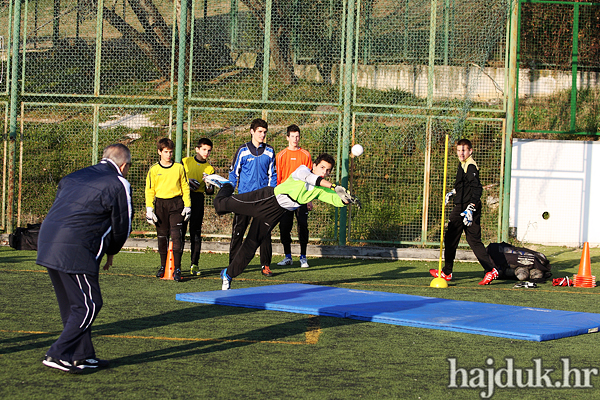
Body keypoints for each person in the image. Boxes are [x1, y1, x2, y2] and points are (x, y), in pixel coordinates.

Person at [37, 144, 133, 373]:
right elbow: (122, 225)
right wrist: (113, 251)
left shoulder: (74, 176)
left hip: (47, 241)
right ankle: (58, 353)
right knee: (89, 304)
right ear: (124, 165)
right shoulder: (119, 182)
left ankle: (83, 355)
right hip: (76, 248)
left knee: (73, 305)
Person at [205, 153, 360, 290]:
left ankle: (228, 274)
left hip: (275, 213)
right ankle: (226, 185)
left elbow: (333, 198)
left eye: (328, 170)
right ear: (314, 166)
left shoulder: (320, 189)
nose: (324, 172)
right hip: (267, 199)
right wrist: (334, 186)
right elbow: (312, 178)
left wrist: (346, 199)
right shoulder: (303, 170)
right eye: (322, 168)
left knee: (251, 245)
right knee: (220, 206)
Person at [429, 138, 499, 285]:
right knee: (462, 238)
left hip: (465, 207)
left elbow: (477, 187)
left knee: (460, 239)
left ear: (470, 151)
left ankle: (489, 270)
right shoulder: (463, 164)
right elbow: (465, 185)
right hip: (461, 204)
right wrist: (453, 192)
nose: (461, 153)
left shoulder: (470, 166)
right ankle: (450, 272)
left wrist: (471, 207)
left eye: (464, 150)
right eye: (459, 150)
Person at [228, 118, 277, 277]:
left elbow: (273, 175)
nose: (262, 135)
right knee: (238, 231)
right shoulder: (242, 151)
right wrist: (229, 194)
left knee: (264, 233)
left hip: (263, 201)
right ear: (252, 132)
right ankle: (233, 263)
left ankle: (265, 265)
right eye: (259, 132)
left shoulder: (270, 151)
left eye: (264, 132)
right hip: (244, 199)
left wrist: (271, 195)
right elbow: (233, 174)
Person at [145, 137, 191, 282]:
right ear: (159, 152)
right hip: (160, 205)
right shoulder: (154, 169)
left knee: (176, 236)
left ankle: (177, 268)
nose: (168, 155)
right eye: (165, 152)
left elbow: (185, 186)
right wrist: (149, 209)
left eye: (171, 152)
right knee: (162, 236)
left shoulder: (179, 168)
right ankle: (163, 266)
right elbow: (149, 190)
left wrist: (187, 205)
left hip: (176, 204)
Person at [276, 124, 313, 268]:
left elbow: (310, 177)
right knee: (285, 227)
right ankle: (287, 256)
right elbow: (278, 178)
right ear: (287, 137)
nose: (295, 139)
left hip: (302, 196)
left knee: (302, 225)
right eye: (292, 136)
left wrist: (309, 199)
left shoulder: (305, 154)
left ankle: (303, 257)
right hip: (285, 197)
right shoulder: (280, 156)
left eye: (297, 136)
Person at [182, 138, 215, 276]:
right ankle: (175, 264)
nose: (206, 153)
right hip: (183, 198)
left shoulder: (210, 168)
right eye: (204, 149)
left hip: (198, 199)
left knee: (195, 232)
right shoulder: (185, 162)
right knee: (180, 232)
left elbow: (210, 192)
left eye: (208, 151)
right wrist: (187, 182)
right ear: (197, 149)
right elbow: (178, 178)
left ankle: (194, 264)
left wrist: (208, 184)